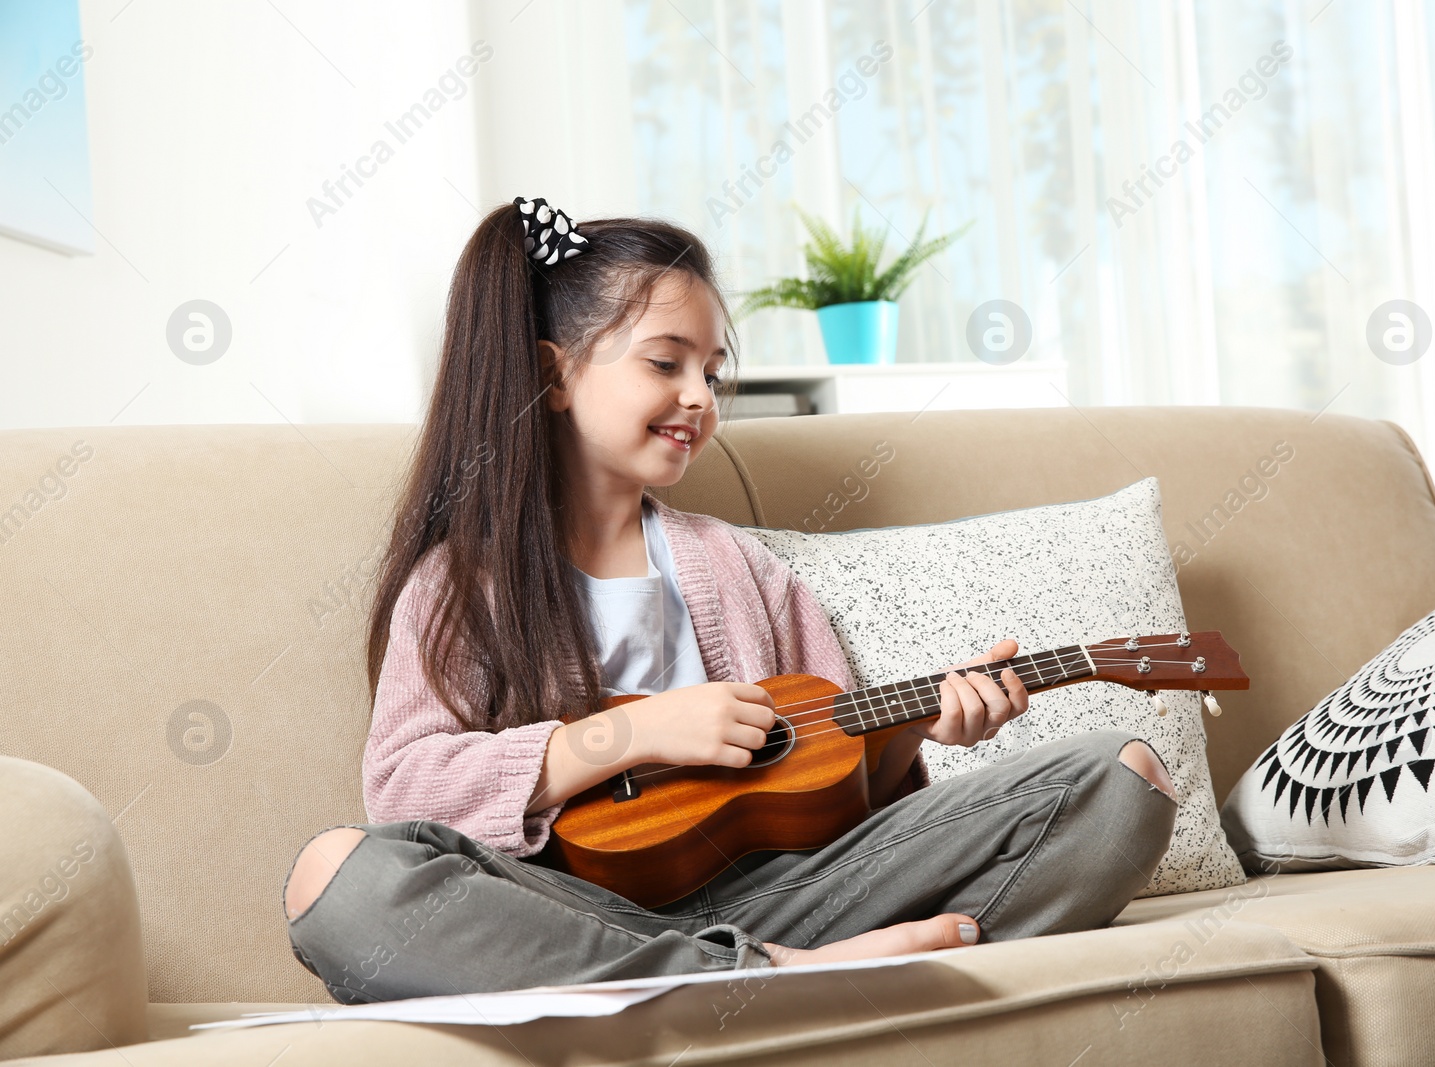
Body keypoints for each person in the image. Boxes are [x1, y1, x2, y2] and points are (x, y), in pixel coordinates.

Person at [280, 197, 1178, 1004]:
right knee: (336, 876)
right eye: (666, 363)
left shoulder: (738, 565)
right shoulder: (461, 581)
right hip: (562, 908)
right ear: (554, 376)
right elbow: (403, 793)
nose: (698, 399)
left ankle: (757, 967)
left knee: (1122, 780)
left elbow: (842, 798)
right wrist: (633, 733)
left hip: (795, 891)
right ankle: (766, 975)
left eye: (712, 372)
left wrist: (919, 729)